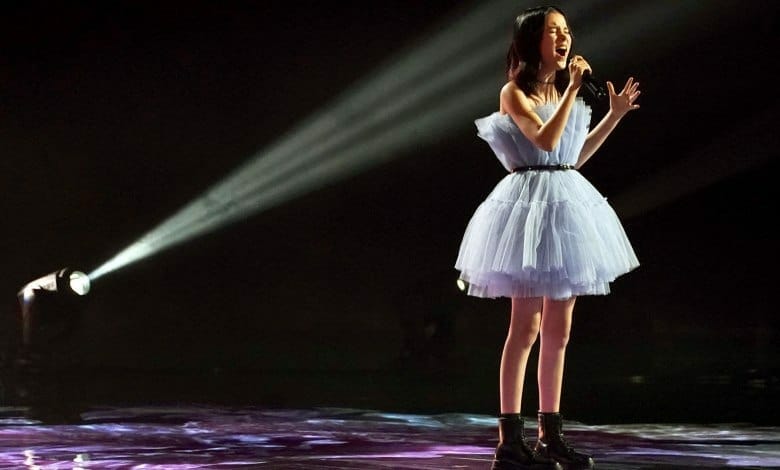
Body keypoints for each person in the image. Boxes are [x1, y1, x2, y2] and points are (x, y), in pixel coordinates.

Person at [454, 5, 641, 470]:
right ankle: (509, 442)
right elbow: (543, 142)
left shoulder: (563, 93)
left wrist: (613, 115)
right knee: (526, 327)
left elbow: (571, 157)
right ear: (532, 40)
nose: (564, 39)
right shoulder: (513, 92)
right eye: (553, 31)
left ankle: (550, 436)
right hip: (527, 209)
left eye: (566, 31)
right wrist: (574, 89)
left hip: (564, 204)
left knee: (560, 330)